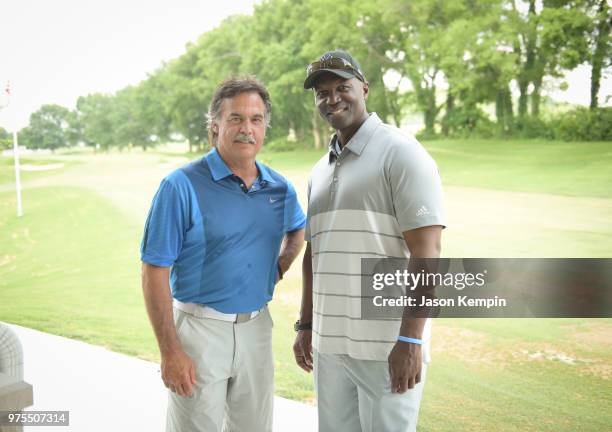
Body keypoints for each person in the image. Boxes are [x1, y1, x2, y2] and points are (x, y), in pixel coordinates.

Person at [141, 76, 305, 432]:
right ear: (215, 126)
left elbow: (298, 229)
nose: (247, 128)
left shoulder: (279, 187)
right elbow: (154, 271)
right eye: (236, 118)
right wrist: (170, 351)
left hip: (256, 330)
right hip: (199, 331)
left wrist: (278, 267)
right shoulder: (179, 186)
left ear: (264, 128)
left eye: (256, 119)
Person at [293, 50, 445, 432]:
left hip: (386, 348)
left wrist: (410, 340)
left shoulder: (402, 153)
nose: (333, 99)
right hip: (329, 348)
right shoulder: (319, 170)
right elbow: (316, 254)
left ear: (364, 88)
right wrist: (306, 325)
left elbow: (428, 252)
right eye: (322, 92)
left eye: (342, 87)